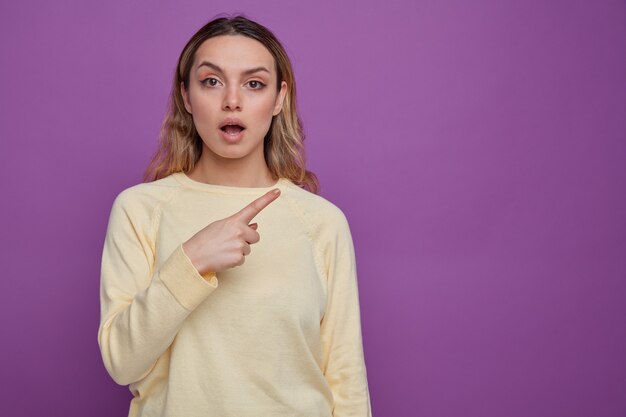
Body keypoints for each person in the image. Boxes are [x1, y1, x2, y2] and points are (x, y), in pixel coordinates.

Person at [98, 14, 372, 417]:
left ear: (279, 99)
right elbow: (122, 363)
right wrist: (191, 262)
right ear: (186, 97)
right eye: (211, 81)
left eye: (254, 83)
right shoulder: (139, 210)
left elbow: (346, 379)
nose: (232, 100)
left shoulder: (321, 222)